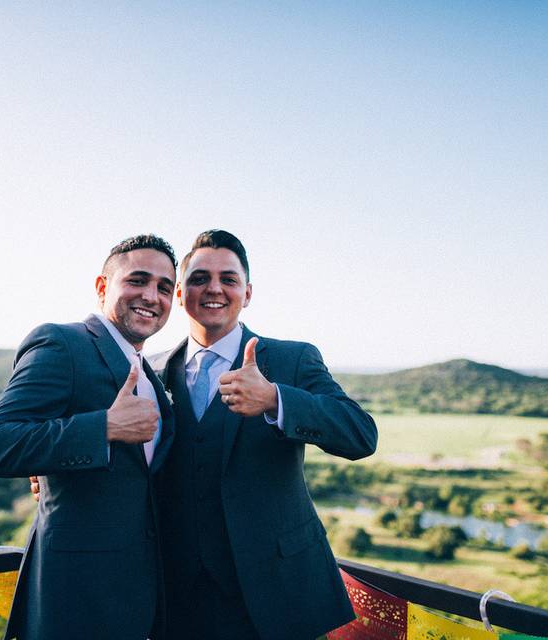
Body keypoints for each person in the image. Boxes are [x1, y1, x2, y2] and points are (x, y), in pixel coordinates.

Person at [152, 229, 378, 640]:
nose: (214, 288)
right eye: (200, 278)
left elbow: (361, 434)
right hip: (179, 597)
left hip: (276, 593)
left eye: (228, 279)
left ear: (248, 293)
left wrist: (276, 399)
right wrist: (49, 474)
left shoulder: (291, 359)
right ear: (182, 293)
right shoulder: (152, 369)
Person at [0, 234, 178, 640]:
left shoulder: (149, 370)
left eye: (164, 287)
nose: (151, 296)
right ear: (103, 287)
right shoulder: (62, 343)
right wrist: (103, 428)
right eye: (137, 280)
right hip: (76, 599)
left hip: (142, 599)